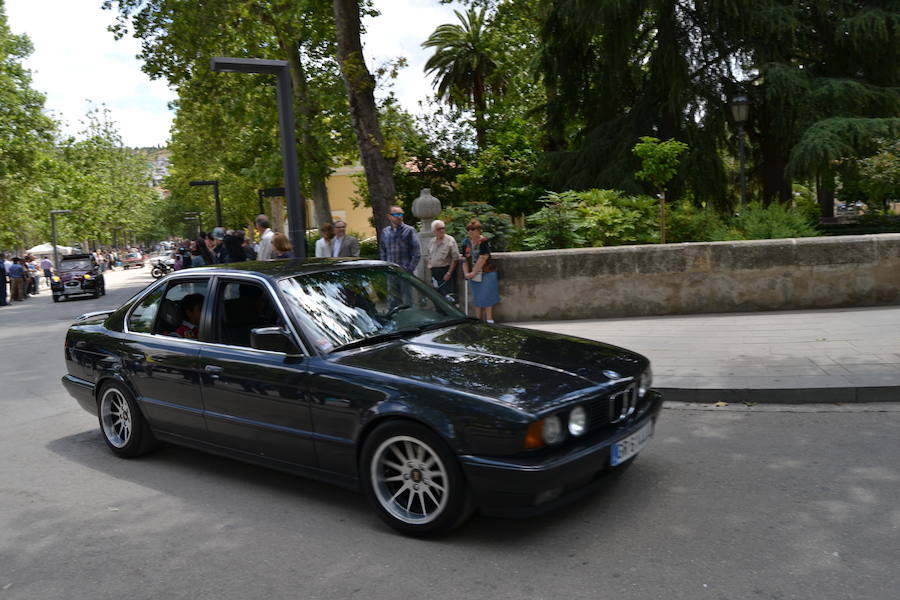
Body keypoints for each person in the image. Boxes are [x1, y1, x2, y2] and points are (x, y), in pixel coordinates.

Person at [461, 219, 500, 323]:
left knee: (487, 295)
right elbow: (464, 258)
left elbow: (483, 257)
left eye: (473, 230)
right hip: (473, 273)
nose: (470, 232)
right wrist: (466, 273)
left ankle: (489, 319)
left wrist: (473, 272)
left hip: (487, 272)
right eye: (469, 229)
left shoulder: (483, 241)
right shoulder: (466, 242)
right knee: (477, 296)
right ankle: (478, 319)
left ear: (479, 230)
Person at [378, 205, 421, 273]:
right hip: (391, 273)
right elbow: (383, 252)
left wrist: (409, 270)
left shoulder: (409, 230)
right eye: (396, 214)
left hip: (406, 273)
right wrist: (385, 268)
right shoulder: (385, 232)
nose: (399, 216)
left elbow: (417, 253)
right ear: (389, 216)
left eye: (401, 214)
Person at [426, 219, 460, 301]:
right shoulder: (432, 242)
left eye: (443, 228)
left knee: (448, 297)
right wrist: (429, 263)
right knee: (437, 297)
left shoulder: (450, 240)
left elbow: (455, 258)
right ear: (434, 231)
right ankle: (439, 313)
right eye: (439, 229)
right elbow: (428, 255)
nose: (442, 230)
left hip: (446, 271)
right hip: (434, 272)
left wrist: (449, 273)